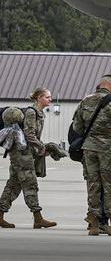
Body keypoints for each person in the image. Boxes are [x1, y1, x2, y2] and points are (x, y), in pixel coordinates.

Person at [72, 74, 111, 236]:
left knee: (93, 185)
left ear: (99, 85)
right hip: (108, 150)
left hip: (89, 149)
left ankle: (95, 225)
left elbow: (77, 127)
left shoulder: (85, 101)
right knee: (110, 185)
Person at [0, 87, 56, 229]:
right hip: (22, 154)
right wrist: (42, 148)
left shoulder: (38, 113)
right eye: (47, 97)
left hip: (23, 152)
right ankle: (38, 218)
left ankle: (0, 215)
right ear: (38, 98)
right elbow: (29, 135)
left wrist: (39, 148)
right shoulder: (32, 113)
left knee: (13, 185)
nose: (50, 99)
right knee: (30, 184)